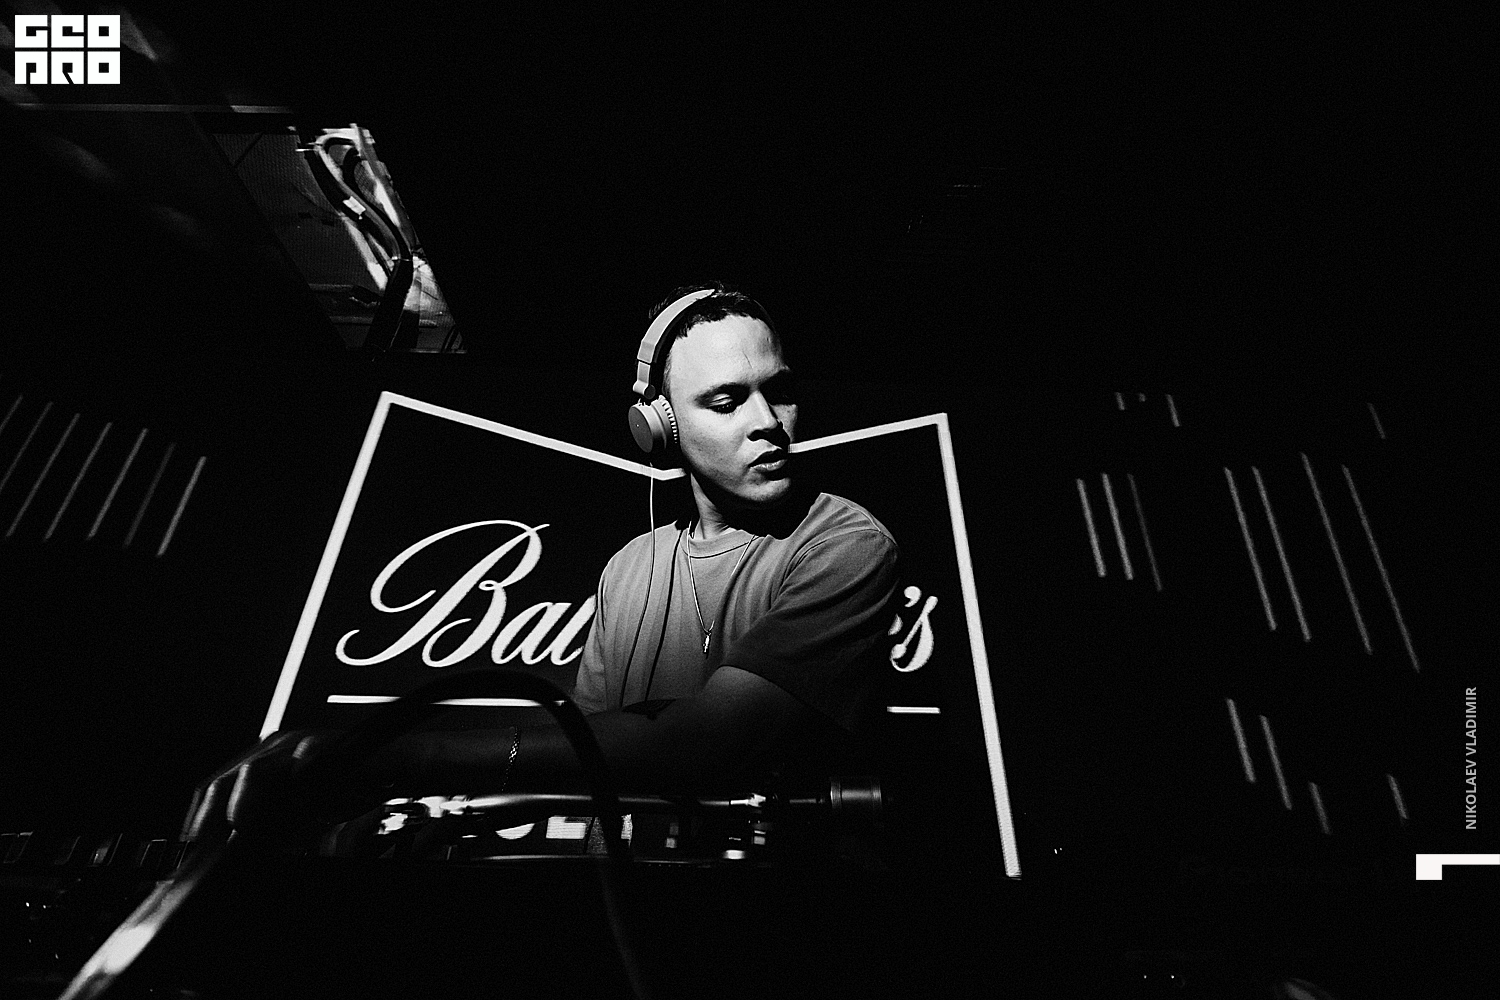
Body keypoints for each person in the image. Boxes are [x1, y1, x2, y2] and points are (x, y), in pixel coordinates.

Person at [185, 284, 899, 839]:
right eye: (726, 401)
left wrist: (388, 759)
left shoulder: (844, 542)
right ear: (659, 425)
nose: (768, 423)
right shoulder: (632, 565)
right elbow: (581, 749)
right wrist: (444, 814)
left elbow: (709, 745)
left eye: (780, 392)